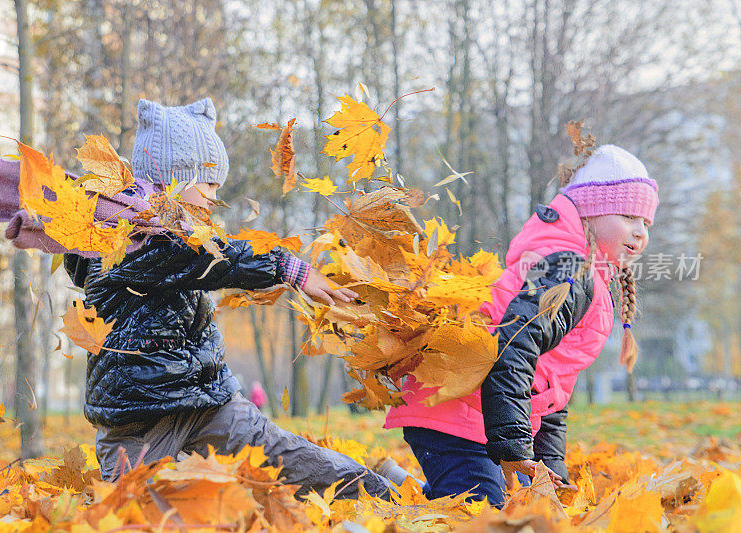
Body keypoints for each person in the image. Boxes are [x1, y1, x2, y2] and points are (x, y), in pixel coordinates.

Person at [64, 97, 395, 499]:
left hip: (207, 402)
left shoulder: (176, 232)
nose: (214, 196)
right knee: (127, 510)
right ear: (173, 178)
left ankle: (384, 494)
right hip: (139, 418)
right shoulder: (131, 238)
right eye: (208, 184)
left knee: (289, 457)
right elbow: (211, 258)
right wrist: (288, 268)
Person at [384, 144, 659, 506]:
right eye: (627, 216)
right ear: (590, 213)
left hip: (480, 414)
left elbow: (553, 387)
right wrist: (513, 443)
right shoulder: (567, 273)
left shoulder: (586, 274)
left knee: (474, 500)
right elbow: (512, 348)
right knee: (480, 513)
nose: (640, 232)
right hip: (453, 409)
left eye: (646, 222)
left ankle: (392, 484)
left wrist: (550, 466)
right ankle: (367, 488)